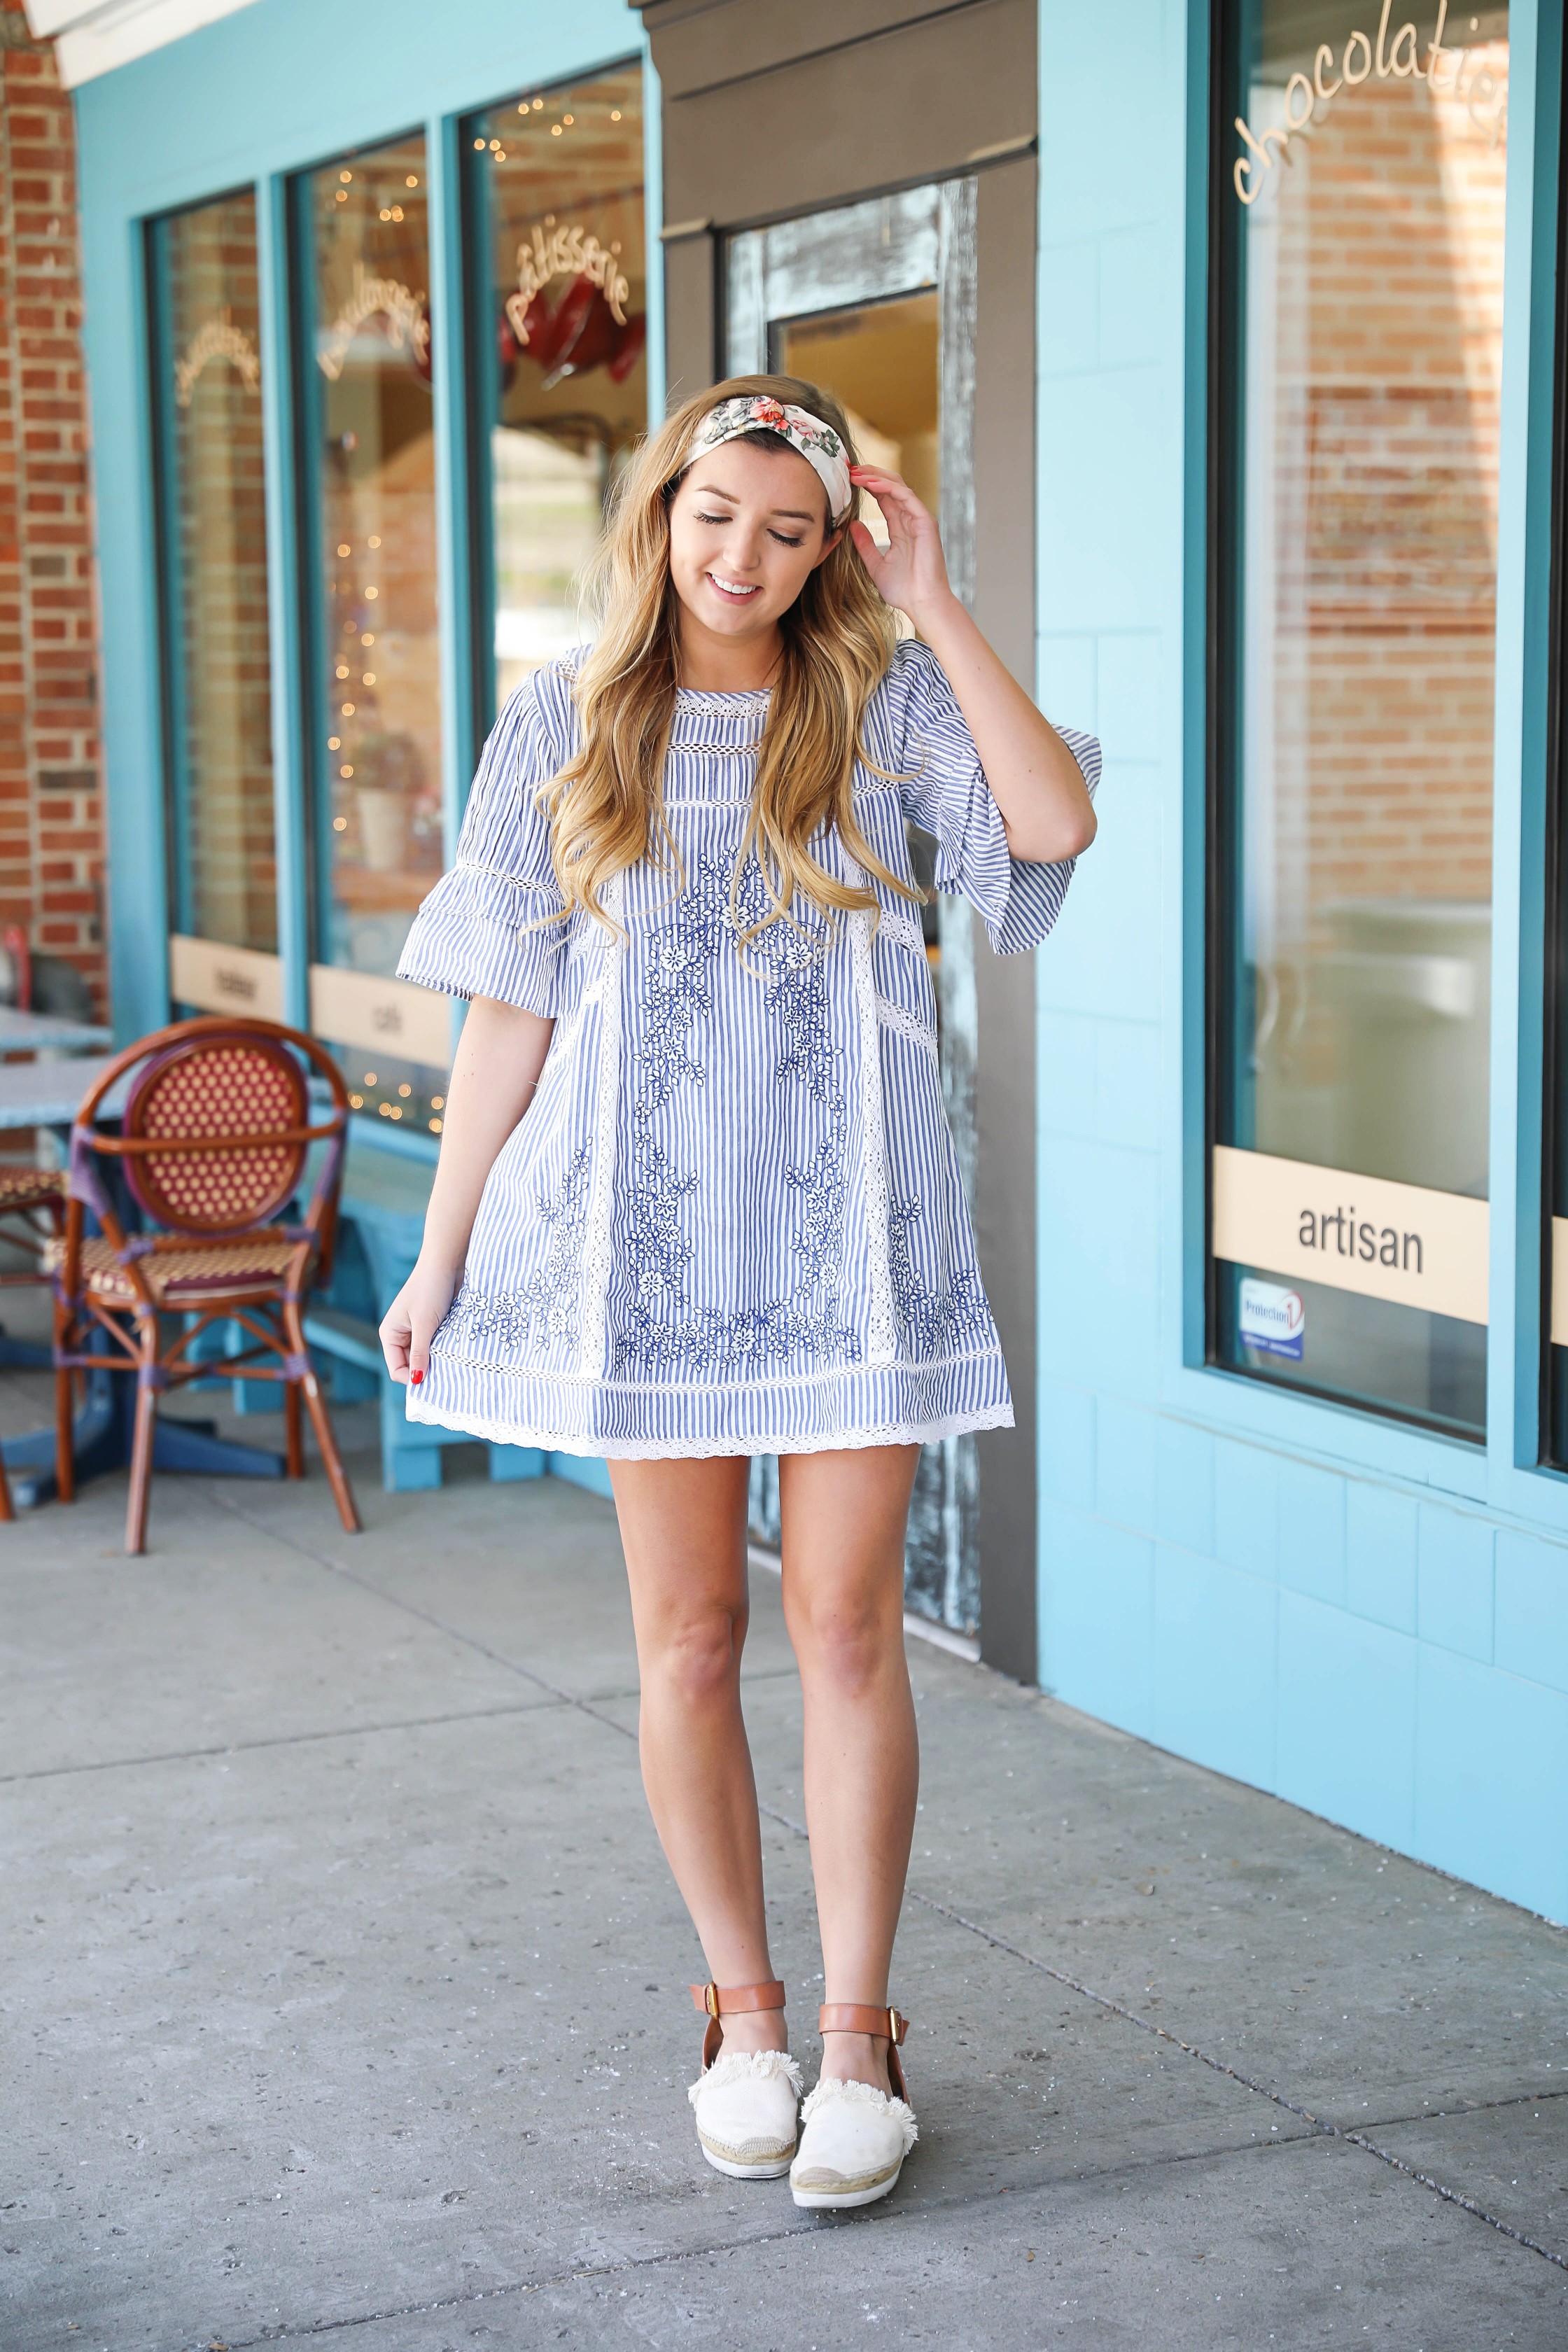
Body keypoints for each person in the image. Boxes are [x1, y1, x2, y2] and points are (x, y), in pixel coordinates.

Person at [379, 377, 1099, 2211]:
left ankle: (862, 2035)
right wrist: (446, 1251)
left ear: (829, 542)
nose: (744, 558)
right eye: (717, 517)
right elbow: (510, 1010)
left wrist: (930, 594)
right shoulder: (561, 717)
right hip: (643, 1260)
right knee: (691, 1642)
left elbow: (1054, 825)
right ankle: (746, 2011)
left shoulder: (878, 700)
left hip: (851, 1248)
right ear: (661, 508)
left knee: (848, 1635)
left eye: (789, 531)